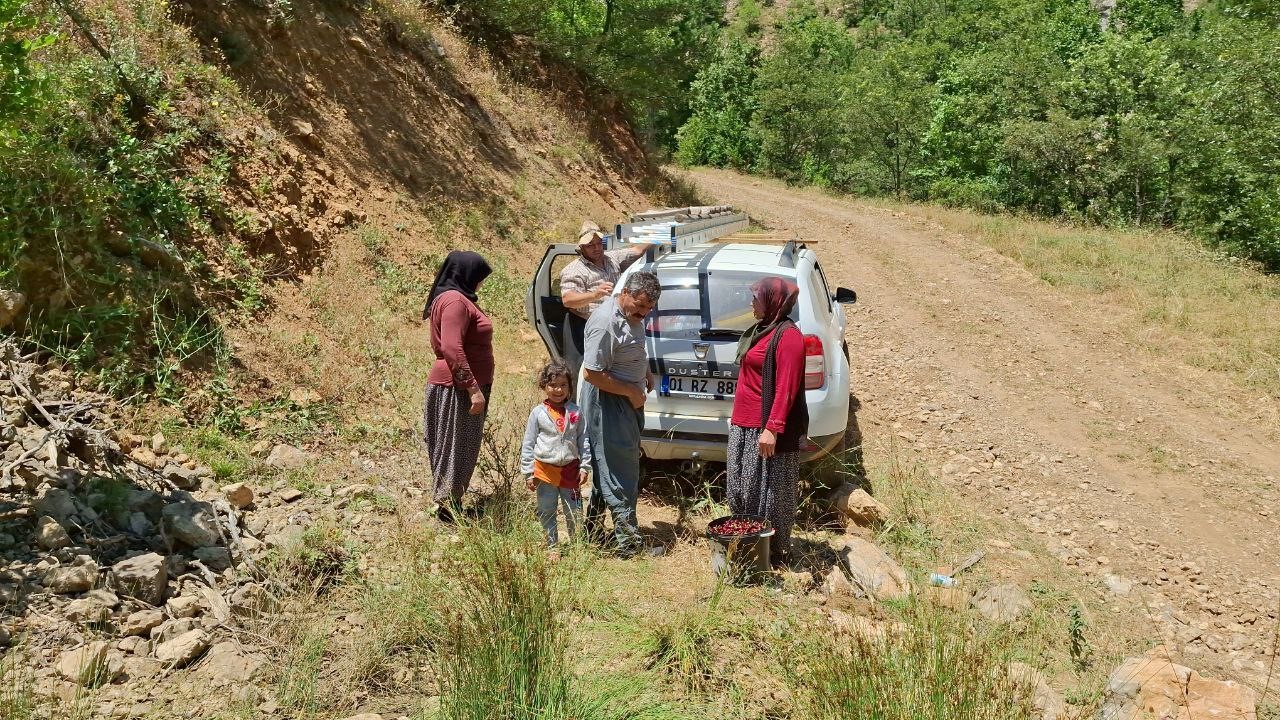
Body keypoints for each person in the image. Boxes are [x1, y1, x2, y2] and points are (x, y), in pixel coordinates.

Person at [727, 277, 809, 567]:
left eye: (756, 298)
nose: (751, 303)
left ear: (773, 301)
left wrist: (771, 428)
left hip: (764, 430)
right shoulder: (761, 330)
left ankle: (771, 551)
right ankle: (746, 544)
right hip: (744, 425)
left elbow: (787, 387)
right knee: (743, 489)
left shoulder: (788, 337)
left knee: (770, 492)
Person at [580, 271, 660, 557]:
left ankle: (591, 531)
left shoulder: (631, 316)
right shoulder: (605, 322)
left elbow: (631, 346)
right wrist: (630, 390)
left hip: (626, 400)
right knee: (622, 471)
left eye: (649, 308)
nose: (644, 313)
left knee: (609, 465)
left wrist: (645, 372)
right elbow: (592, 373)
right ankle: (629, 543)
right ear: (625, 292)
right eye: (640, 305)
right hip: (609, 402)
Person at [422, 250, 494, 523]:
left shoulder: (454, 300)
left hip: (460, 386)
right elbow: (452, 348)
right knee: (456, 446)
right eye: (479, 278)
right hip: (458, 389)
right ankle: (447, 510)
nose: (480, 284)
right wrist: (473, 388)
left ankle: (451, 504)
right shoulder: (455, 302)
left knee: (459, 445)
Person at [559, 220, 648, 372]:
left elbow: (637, 251)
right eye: (590, 245)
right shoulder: (574, 270)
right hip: (589, 328)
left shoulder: (612, 258)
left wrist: (659, 234)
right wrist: (595, 294)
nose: (596, 248)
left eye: (599, 243)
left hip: (617, 325)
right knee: (593, 371)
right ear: (581, 248)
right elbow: (568, 300)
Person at [520, 360, 591, 549]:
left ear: (569, 387)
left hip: (571, 471)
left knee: (574, 511)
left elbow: (583, 440)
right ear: (544, 386)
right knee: (546, 510)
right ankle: (551, 546)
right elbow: (528, 443)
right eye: (553, 385)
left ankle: (577, 547)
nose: (558, 390)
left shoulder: (576, 412)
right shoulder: (538, 413)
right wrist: (529, 472)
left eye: (563, 385)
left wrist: (584, 466)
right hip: (544, 471)